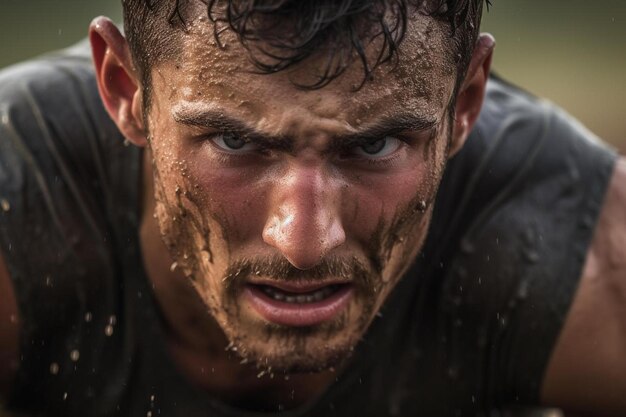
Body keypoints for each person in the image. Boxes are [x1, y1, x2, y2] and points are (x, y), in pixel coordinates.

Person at [0, 0, 624, 415]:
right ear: (127, 91)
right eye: (234, 141)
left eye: (375, 144)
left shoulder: (576, 245)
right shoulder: (22, 199)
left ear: (465, 101)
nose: (303, 242)